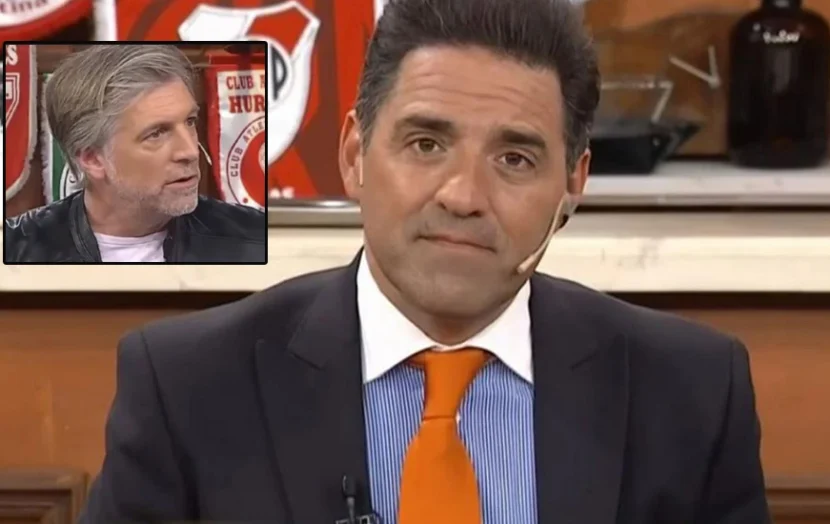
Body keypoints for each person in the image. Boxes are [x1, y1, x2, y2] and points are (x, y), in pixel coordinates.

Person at [78, 0, 770, 522]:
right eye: (426, 145)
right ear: (355, 154)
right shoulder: (188, 387)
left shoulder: (692, 392)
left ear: (573, 184)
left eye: (515, 158)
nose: (463, 196)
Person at [3, 45, 265, 264]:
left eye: (190, 121)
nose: (189, 151)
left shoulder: (255, 238)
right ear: (93, 159)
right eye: (156, 133)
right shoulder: (17, 249)